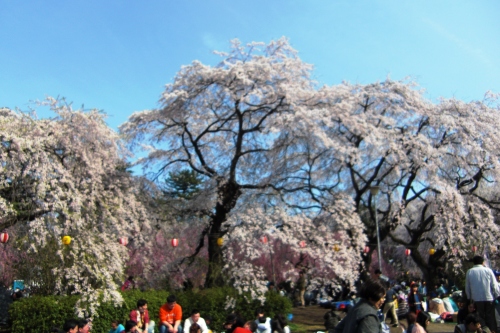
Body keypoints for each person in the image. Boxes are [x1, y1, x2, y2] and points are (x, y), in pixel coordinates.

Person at [465, 256, 500, 333]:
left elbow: (467, 287)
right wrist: (497, 295)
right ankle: (491, 331)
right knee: (490, 317)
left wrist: (469, 298)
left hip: (476, 298)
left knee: (479, 317)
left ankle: (481, 331)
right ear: (482, 262)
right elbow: (494, 285)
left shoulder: (470, 272)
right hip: (489, 297)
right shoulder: (488, 270)